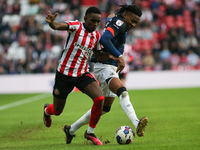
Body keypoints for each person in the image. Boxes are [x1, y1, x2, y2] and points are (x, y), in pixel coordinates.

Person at [63, 4, 148, 144]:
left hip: (110, 67)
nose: (133, 24)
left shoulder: (116, 19)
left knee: (104, 108)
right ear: (125, 14)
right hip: (104, 66)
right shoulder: (120, 23)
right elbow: (104, 39)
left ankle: (71, 129)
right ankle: (136, 122)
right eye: (132, 20)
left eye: (136, 22)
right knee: (123, 91)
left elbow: (110, 19)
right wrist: (119, 56)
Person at [43, 6, 116, 145]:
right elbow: (58, 26)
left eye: (98, 21)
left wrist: (111, 55)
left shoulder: (96, 36)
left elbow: (98, 55)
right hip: (64, 74)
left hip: (82, 73)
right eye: (92, 20)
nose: (95, 24)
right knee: (57, 111)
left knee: (100, 98)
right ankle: (47, 110)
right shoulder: (76, 26)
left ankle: (90, 132)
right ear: (85, 18)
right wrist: (52, 22)